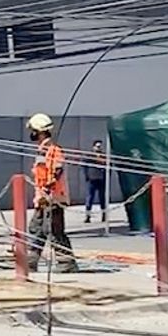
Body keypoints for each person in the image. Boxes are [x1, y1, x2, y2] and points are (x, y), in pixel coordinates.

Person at [26, 113, 78, 273]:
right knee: (37, 229)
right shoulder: (42, 150)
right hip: (43, 198)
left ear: (40, 131)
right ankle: (30, 262)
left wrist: (48, 189)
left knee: (54, 231)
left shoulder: (53, 150)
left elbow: (57, 170)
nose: (32, 133)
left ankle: (67, 264)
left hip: (52, 198)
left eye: (33, 130)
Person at [84, 140, 108, 224]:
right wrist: (87, 176)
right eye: (97, 146)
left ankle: (104, 215)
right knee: (90, 197)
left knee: (102, 198)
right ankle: (87, 216)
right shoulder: (89, 156)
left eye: (100, 146)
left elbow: (108, 167)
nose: (99, 148)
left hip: (101, 179)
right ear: (93, 147)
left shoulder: (104, 156)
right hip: (92, 179)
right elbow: (85, 166)